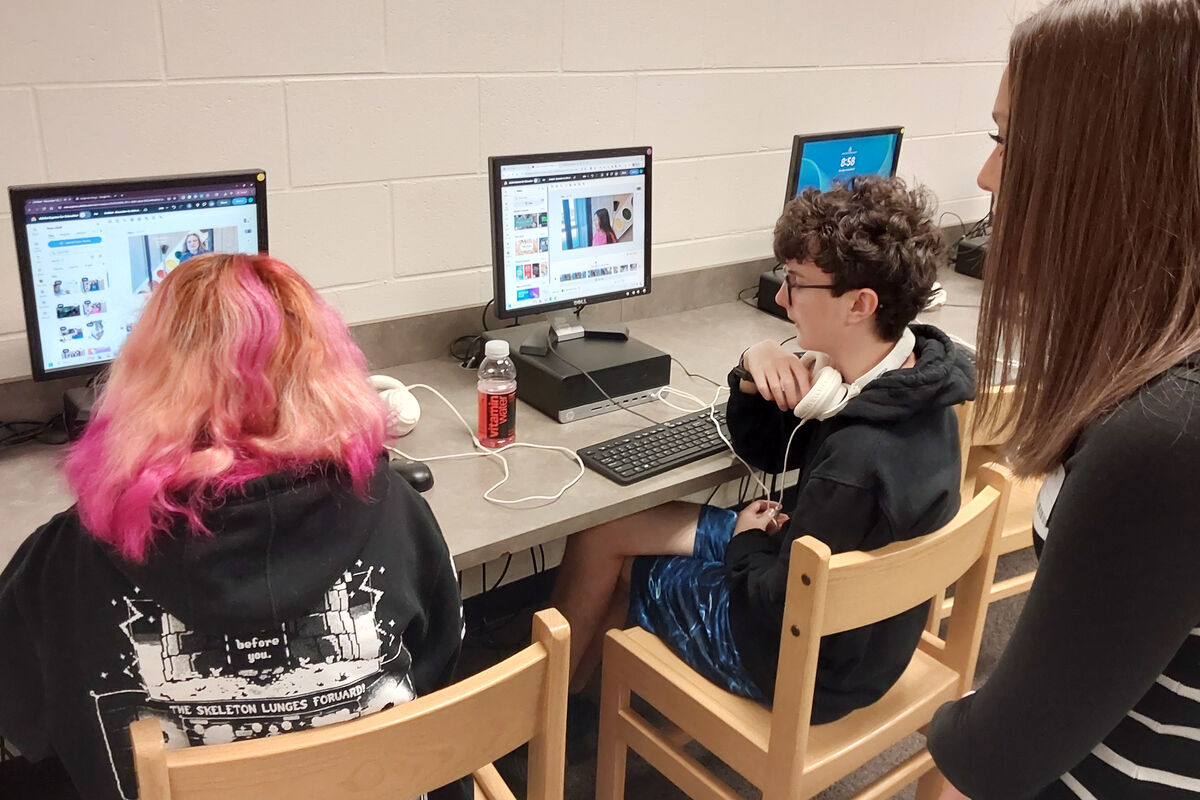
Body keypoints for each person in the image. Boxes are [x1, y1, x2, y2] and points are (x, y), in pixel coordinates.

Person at [0, 253, 464, 800]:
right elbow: (435, 674)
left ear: (146, 380)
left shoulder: (65, 558)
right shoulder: (396, 510)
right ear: (321, 374)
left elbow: (23, 723)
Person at [551, 176, 973, 723]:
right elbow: (768, 451)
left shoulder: (858, 461)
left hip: (794, 662)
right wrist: (754, 366)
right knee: (602, 529)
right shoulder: (902, 385)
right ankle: (575, 708)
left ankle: (545, 722)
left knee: (617, 556)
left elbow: (772, 608)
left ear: (860, 303)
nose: (779, 297)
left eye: (796, 282)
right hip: (855, 636)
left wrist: (747, 542)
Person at [927, 2, 1200, 798]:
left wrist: (950, 721)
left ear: (1116, 165)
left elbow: (994, 757)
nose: (985, 176)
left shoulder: (1165, 437)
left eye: (1005, 141)